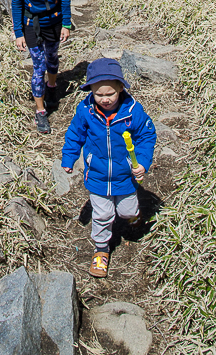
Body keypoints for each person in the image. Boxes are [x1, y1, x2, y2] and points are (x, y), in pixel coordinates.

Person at [61, 58, 156, 278]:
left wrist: (141, 162)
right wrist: (69, 158)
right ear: (90, 91)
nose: (104, 99)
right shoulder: (86, 111)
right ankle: (101, 249)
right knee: (103, 214)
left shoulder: (133, 112)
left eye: (110, 94)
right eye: (99, 94)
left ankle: (132, 217)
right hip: (98, 175)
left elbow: (147, 136)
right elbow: (75, 135)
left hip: (125, 176)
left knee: (127, 210)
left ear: (121, 88)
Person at [11, 0, 72, 135]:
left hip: (54, 21)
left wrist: (66, 24)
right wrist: (18, 32)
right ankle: (41, 111)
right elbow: (16, 4)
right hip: (32, 25)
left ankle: (52, 88)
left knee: (52, 57)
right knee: (39, 65)